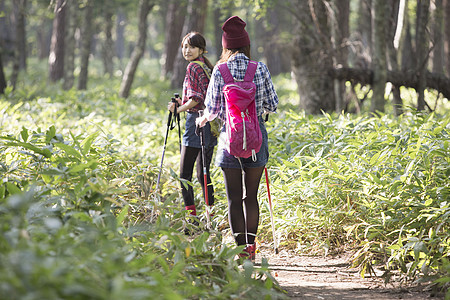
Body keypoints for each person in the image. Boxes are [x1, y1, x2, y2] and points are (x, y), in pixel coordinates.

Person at [196, 16, 279, 259]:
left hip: (228, 139)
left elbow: (211, 109)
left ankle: (240, 251)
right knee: (250, 196)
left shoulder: (220, 71)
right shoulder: (260, 68)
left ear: (225, 46)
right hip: (256, 139)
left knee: (233, 198)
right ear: (246, 45)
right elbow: (272, 105)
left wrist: (203, 119)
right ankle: (252, 248)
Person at [168, 32, 217, 226]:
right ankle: (210, 216)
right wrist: (184, 102)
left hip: (195, 123)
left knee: (184, 175)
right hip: (210, 124)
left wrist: (178, 109)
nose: (187, 51)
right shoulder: (206, 66)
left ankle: (192, 220)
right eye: (184, 46)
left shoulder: (192, 67)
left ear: (201, 49)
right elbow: (201, 97)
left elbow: (196, 99)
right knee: (203, 173)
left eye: (191, 47)